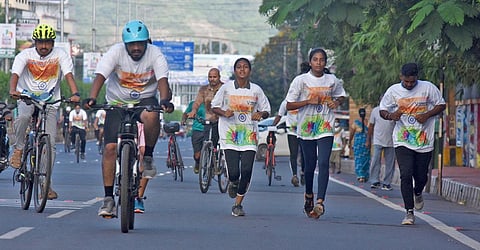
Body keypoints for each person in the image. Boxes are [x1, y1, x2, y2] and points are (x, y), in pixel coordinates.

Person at [84, 20, 173, 218]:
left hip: (144, 99)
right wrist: (92, 97)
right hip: (117, 102)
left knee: (152, 115)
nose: (135, 48)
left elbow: (162, 81)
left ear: (145, 43)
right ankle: (108, 199)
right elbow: (100, 75)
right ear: (125, 44)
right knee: (109, 148)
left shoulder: (155, 54)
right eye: (131, 44)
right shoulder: (115, 52)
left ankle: (147, 158)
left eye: (139, 44)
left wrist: (165, 100)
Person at [9, 24, 81, 200]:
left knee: (49, 144)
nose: (43, 46)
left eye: (47, 42)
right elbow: (15, 75)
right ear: (35, 42)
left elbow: (69, 75)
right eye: (40, 42)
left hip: (50, 101)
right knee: (23, 116)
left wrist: (75, 93)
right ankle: (18, 149)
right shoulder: (25, 55)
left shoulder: (60, 55)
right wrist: (13, 90)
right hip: (27, 97)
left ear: (52, 43)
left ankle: (45, 185)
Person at [379, 62, 445, 225]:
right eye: (406, 81)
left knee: (421, 176)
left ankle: (418, 192)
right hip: (402, 139)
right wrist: (391, 116)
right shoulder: (393, 91)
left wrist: (427, 115)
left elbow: (441, 104)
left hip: (424, 140)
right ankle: (409, 212)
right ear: (401, 76)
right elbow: (383, 110)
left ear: (417, 78)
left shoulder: (428, 88)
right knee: (406, 174)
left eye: (412, 81)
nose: (409, 84)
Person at [285, 48, 346, 219]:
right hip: (306, 127)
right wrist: (307, 101)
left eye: (322, 60)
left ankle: (320, 201)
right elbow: (289, 105)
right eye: (315, 59)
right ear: (310, 62)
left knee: (324, 162)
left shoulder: (332, 80)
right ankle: (309, 195)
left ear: (325, 63)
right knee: (309, 166)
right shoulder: (301, 80)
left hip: (325, 125)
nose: (319, 63)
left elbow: (341, 96)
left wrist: (336, 102)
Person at [212, 57, 270, 217]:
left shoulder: (256, 90)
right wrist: (224, 113)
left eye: (245, 67)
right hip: (229, 134)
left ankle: (237, 204)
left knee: (246, 170)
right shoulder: (226, 89)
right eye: (239, 67)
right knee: (234, 173)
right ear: (235, 71)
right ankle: (234, 182)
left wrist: (260, 114)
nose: (242, 70)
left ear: (250, 71)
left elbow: (266, 110)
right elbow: (214, 106)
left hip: (249, 136)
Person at [187, 68, 223, 152]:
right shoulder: (204, 89)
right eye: (210, 77)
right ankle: (206, 162)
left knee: (219, 145)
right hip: (208, 121)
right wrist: (193, 111)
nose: (212, 79)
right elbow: (197, 102)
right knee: (206, 144)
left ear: (219, 77)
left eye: (214, 77)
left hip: (222, 121)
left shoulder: (224, 88)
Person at [272, 99, 304, 187]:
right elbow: (279, 116)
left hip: (305, 131)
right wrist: (272, 126)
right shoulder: (285, 103)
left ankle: (303, 172)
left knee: (304, 154)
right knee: (293, 154)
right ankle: (294, 175)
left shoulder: (305, 100)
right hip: (292, 131)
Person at [366, 102, 395, 191]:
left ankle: (387, 183)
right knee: (375, 160)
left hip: (391, 141)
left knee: (390, 163)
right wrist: (368, 139)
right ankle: (374, 181)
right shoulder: (375, 110)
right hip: (378, 140)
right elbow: (371, 126)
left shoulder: (394, 111)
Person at [182, 101, 205, 174]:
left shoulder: (214, 102)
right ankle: (197, 163)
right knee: (197, 155)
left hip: (210, 128)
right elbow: (186, 113)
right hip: (197, 130)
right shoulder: (194, 104)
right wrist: (183, 120)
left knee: (213, 149)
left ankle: (213, 164)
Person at [349, 108, 370, 183]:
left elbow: (351, 133)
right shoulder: (367, 122)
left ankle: (362, 175)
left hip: (361, 144)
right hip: (363, 143)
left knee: (361, 160)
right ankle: (363, 175)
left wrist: (349, 142)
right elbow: (351, 133)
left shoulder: (358, 122)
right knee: (363, 159)